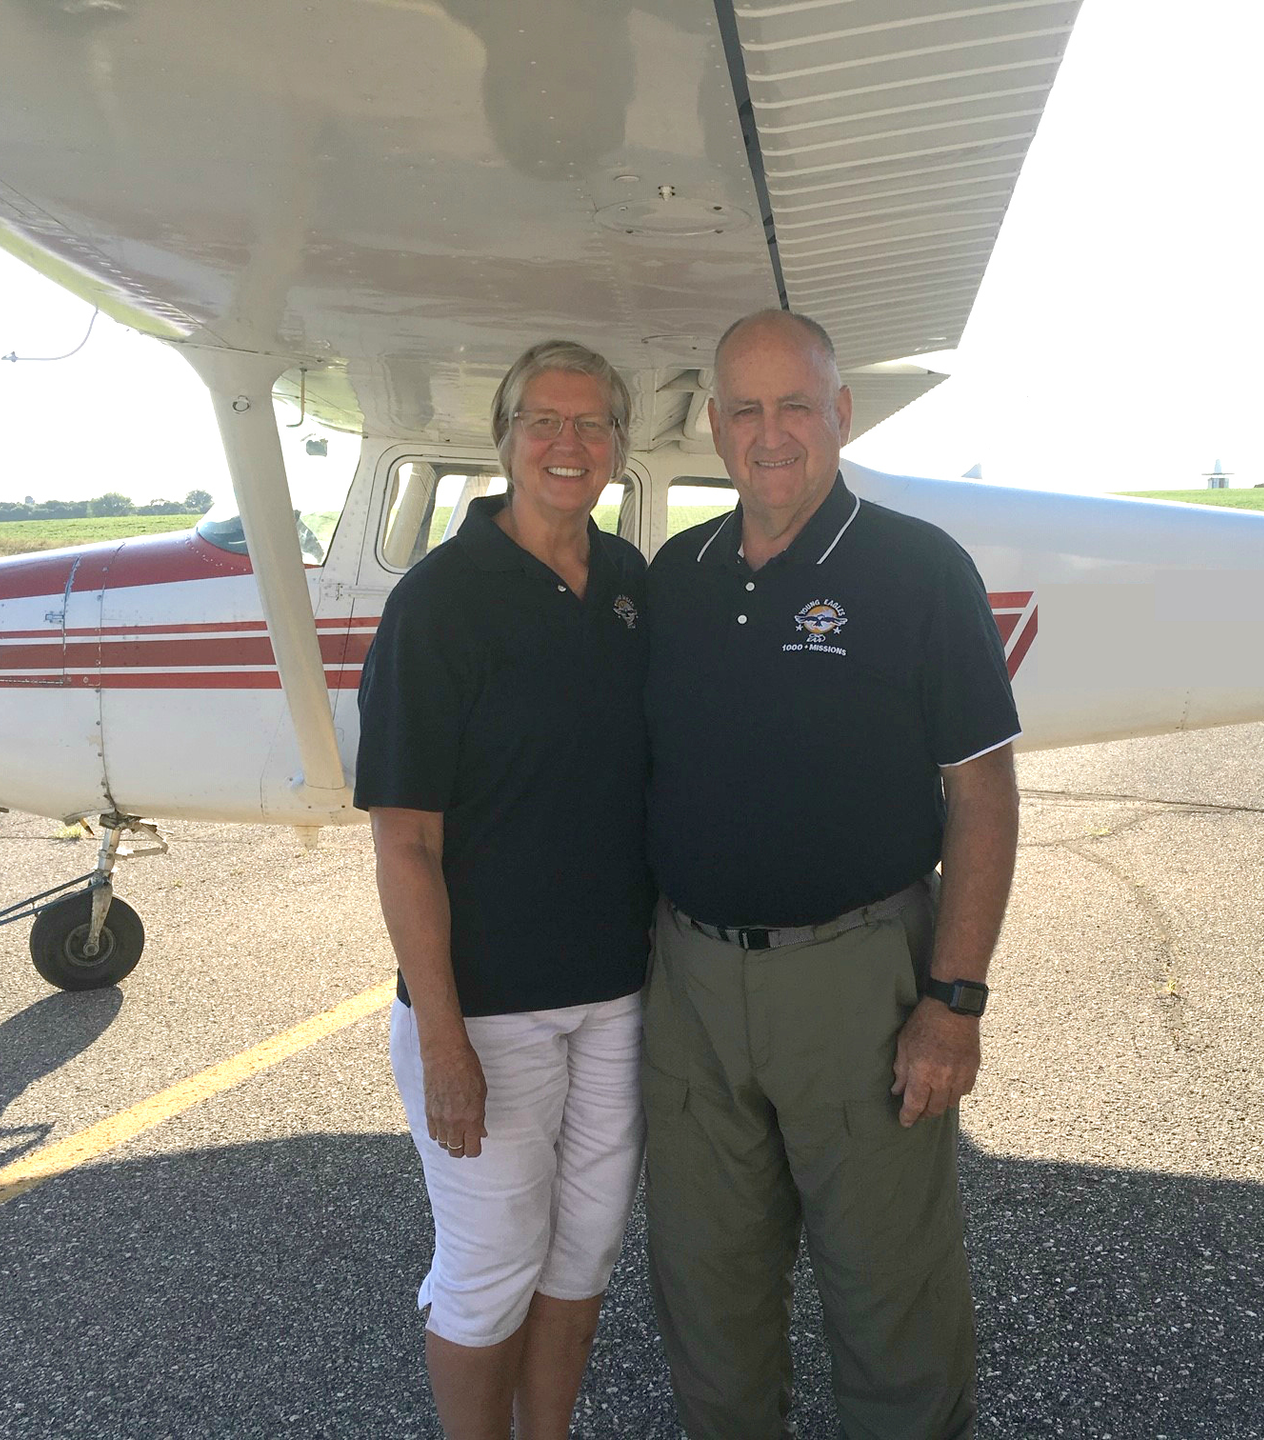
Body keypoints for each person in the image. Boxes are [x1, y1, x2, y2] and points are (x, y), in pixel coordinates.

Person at [641, 309, 1022, 1439]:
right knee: (706, 1301)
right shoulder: (679, 575)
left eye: (795, 405)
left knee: (892, 1310)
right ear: (714, 425)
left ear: (842, 414)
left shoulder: (916, 569)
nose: (770, 435)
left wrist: (952, 1004)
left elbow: (984, 795)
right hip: (694, 985)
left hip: (861, 982)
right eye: (746, 410)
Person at [354, 339, 651, 1440]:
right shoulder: (438, 605)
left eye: (591, 425)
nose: (567, 445)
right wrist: (444, 1042)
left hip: (616, 996)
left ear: (618, 447)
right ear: (506, 440)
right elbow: (404, 844)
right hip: (485, 1012)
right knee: (489, 1272)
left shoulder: (629, 585)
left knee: (583, 1257)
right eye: (544, 422)